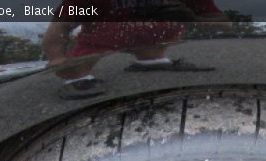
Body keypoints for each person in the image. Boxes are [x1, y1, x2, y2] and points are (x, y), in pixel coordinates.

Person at [43, 0, 230, 99]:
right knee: (79, 73)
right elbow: (60, 26)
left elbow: (224, 23)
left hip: (157, 44)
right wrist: (58, 58)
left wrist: (191, 17)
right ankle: (81, 79)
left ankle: (153, 61)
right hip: (100, 48)